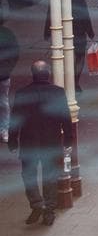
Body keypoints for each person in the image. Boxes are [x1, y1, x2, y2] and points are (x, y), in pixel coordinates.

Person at [8, 61, 72, 226]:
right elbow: (65, 116)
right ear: (48, 74)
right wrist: (68, 139)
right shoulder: (58, 92)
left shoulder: (23, 93)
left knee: (28, 176)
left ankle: (37, 204)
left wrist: (13, 140)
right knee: (50, 176)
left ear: (33, 74)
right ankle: (49, 211)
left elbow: (16, 119)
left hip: (29, 143)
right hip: (51, 143)